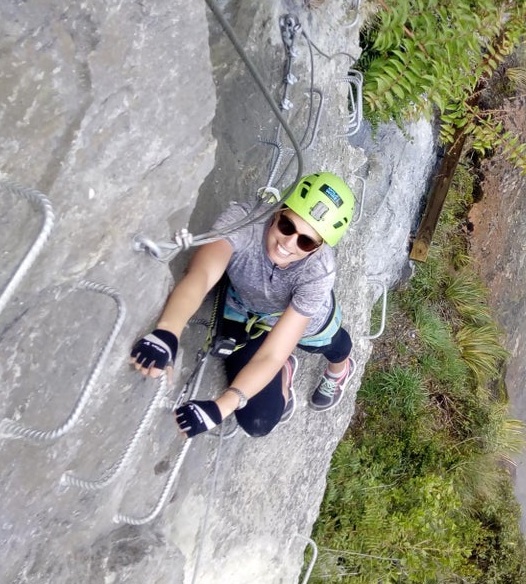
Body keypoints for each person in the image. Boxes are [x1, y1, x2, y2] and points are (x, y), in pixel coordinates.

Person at [128, 171, 357, 438]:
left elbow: (274, 353)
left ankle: (339, 371)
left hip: (306, 324)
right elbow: (201, 275)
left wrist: (220, 407)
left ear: (317, 248)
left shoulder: (319, 271)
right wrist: (167, 332)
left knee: (336, 345)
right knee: (258, 420)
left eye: (306, 242)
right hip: (244, 313)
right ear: (279, 210)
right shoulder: (244, 221)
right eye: (287, 225)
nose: (288, 243)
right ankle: (284, 373)